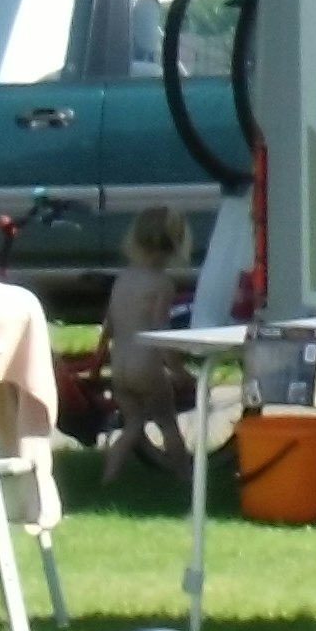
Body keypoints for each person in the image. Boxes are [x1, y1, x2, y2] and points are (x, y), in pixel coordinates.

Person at [92, 203, 202, 484]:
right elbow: (159, 332)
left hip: (120, 367)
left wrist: (97, 360)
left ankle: (107, 479)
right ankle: (188, 479)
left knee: (131, 427)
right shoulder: (161, 284)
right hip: (147, 368)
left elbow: (110, 325)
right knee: (168, 426)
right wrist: (177, 369)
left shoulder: (123, 279)